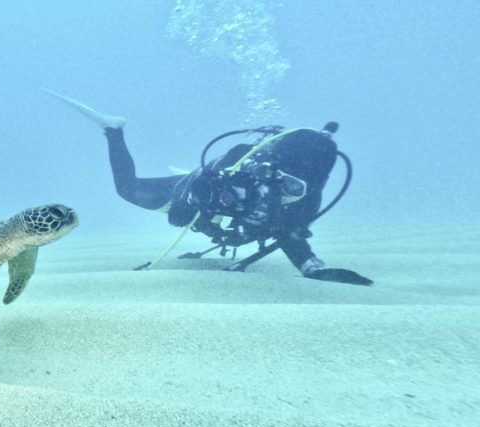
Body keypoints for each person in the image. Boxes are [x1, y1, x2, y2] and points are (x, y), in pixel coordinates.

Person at [48, 91, 372, 286]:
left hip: (216, 210)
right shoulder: (244, 167)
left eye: (296, 188)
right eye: (285, 182)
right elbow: (204, 181)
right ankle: (113, 129)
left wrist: (312, 268)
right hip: (191, 188)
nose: (285, 192)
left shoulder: (303, 203)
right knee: (128, 190)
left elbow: (291, 235)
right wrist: (190, 207)